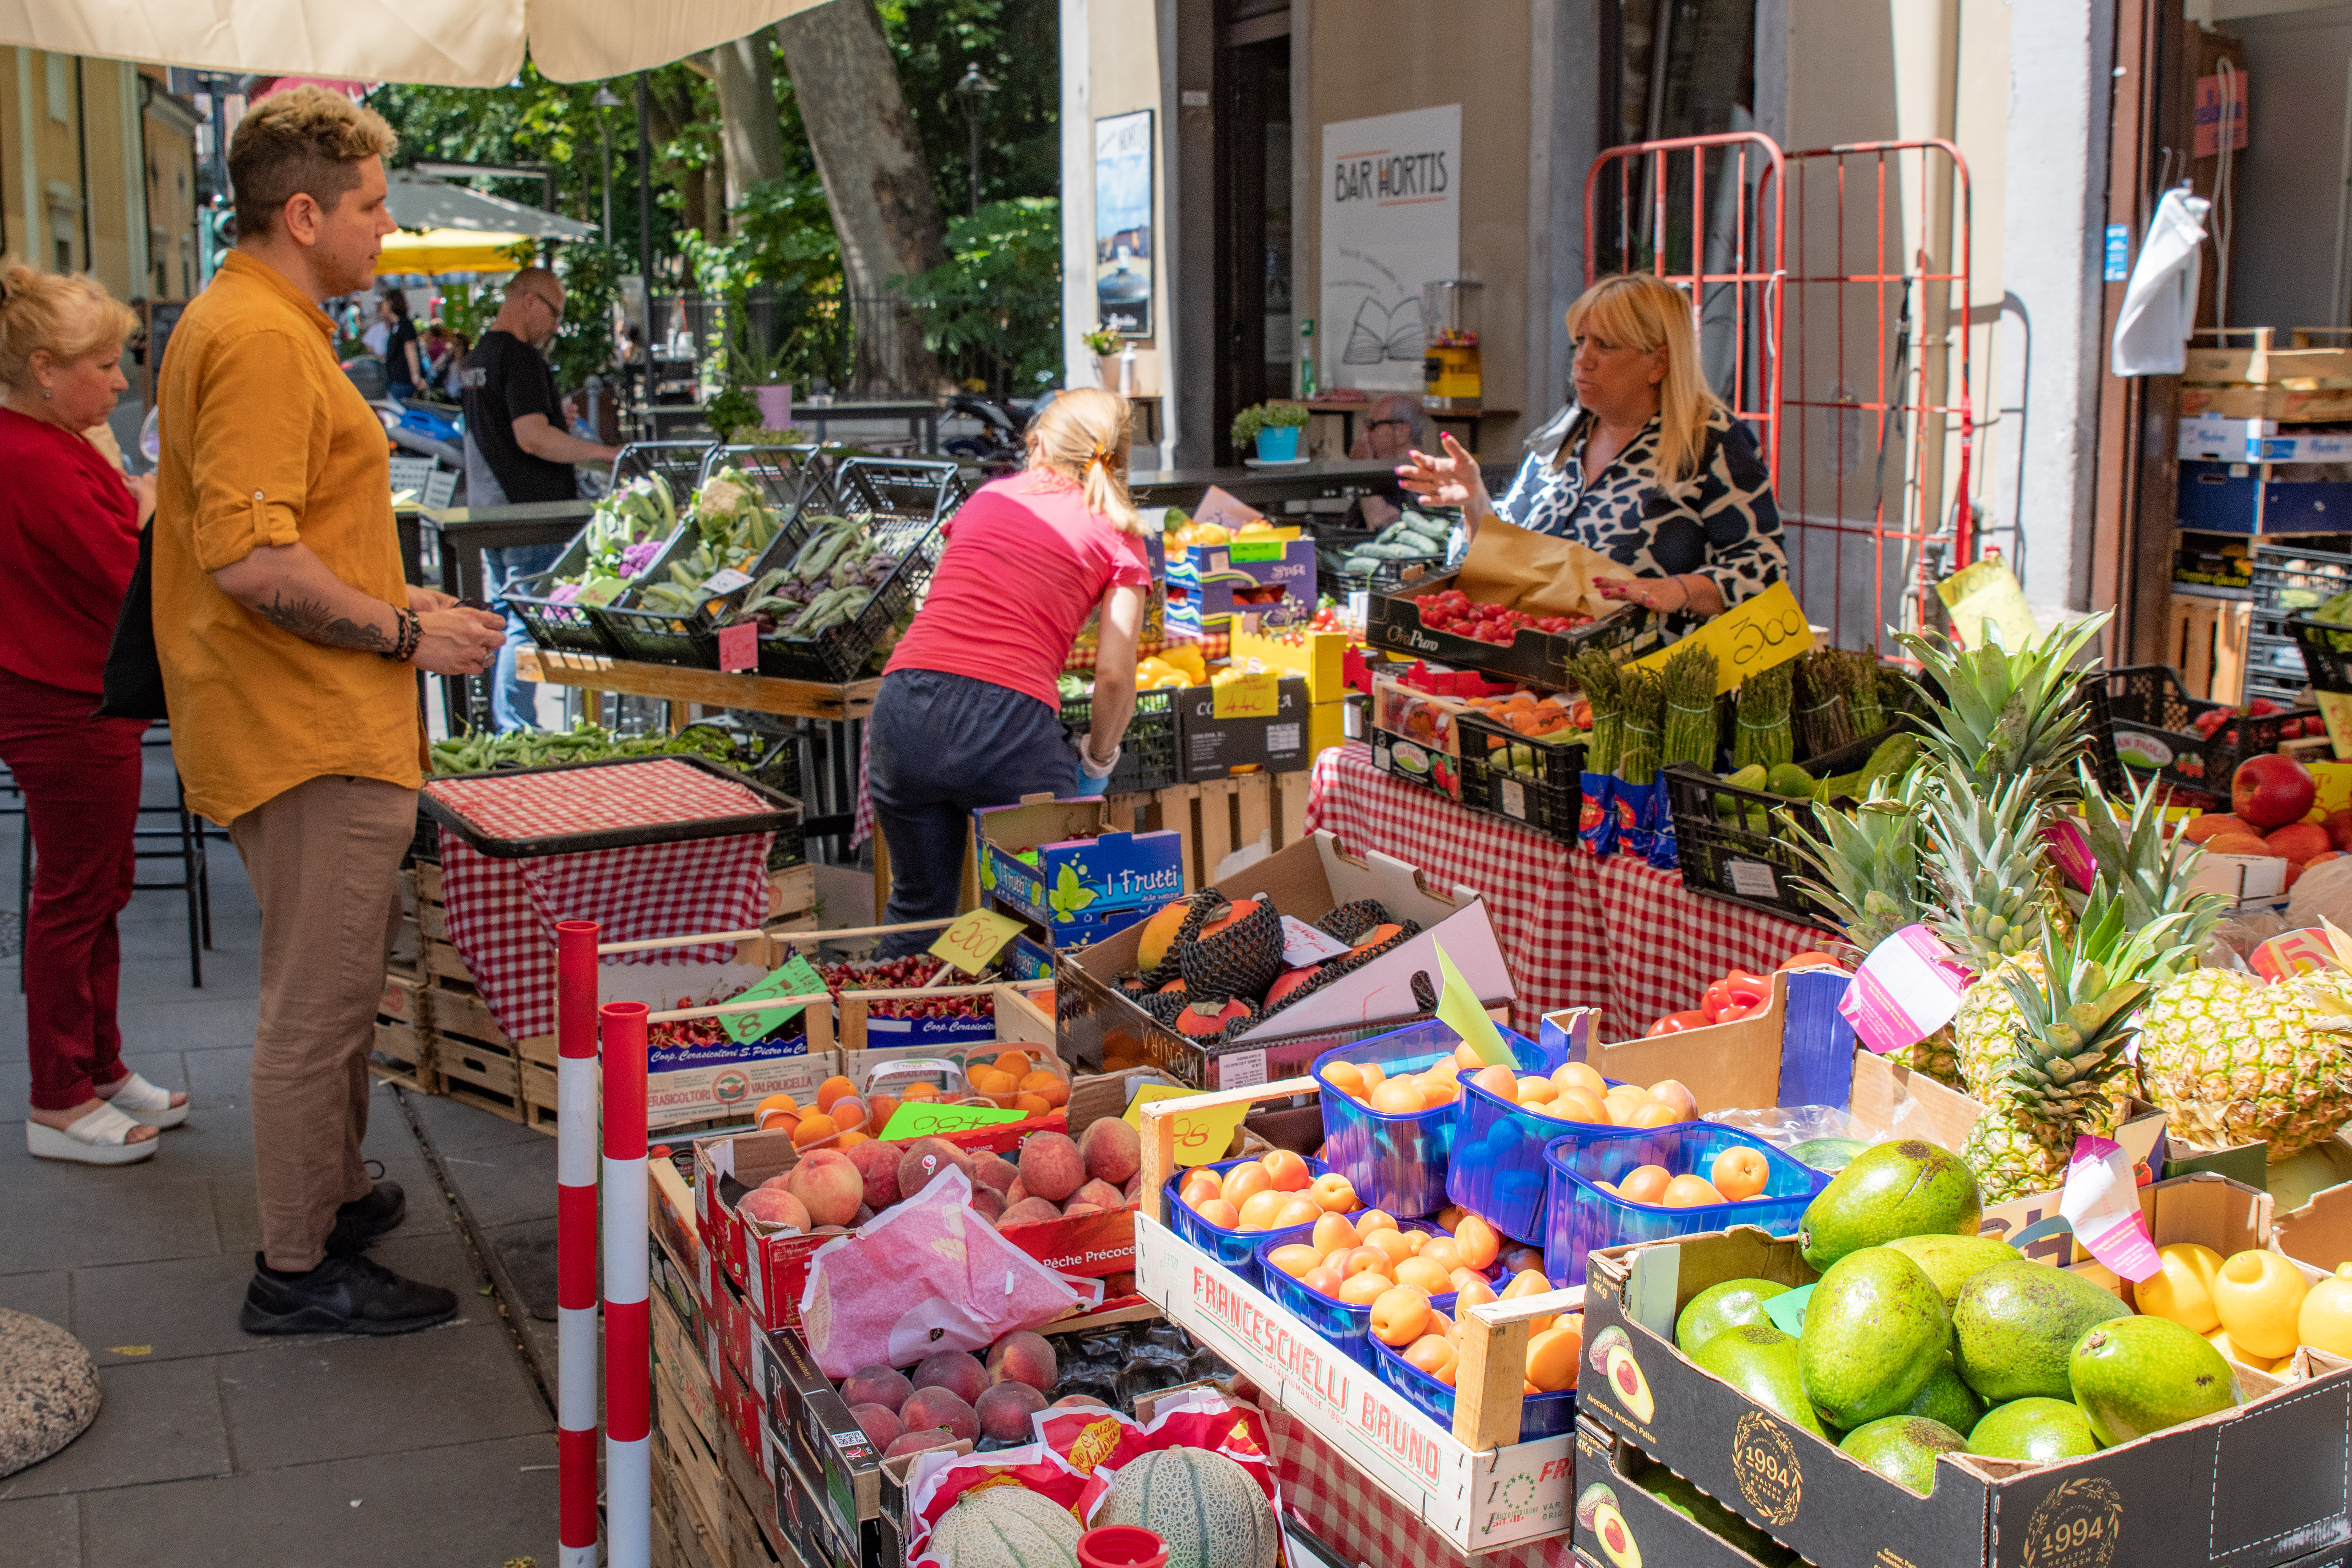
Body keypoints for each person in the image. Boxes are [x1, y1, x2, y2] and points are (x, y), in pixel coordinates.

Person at [150, 86, 507, 1334]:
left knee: (339, 988)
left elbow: (291, 540)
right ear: (303, 215)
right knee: (316, 1005)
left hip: (313, 716)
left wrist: (404, 602)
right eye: (370, 205)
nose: (385, 226)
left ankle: (334, 1194)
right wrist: (408, 634)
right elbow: (253, 563)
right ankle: (297, 1268)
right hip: (305, 727)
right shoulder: (256, 336)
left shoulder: (260, 320)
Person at [0, 261, 192, 1165]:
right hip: (65, 702)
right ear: (45, 368)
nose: (121, 383)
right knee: (76, 898)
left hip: (80, 695)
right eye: (106, 364)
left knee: (97, 892)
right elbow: (130, 574)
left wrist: (141, 505)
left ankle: (97, 1066)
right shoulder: (33, 457)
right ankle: (58, 1097)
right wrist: (148, 510)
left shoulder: (50, 439)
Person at [868, 388, 1152, 956]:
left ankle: (896, 1007)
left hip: (904, 706)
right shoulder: (1118, 531)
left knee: (918, 909)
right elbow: (1116, 675)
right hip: (1008, 725)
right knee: (1045, 919)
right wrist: (1097, 760)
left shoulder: (989, 499)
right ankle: (1014, 1008)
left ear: (1039, 444)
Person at [1398, 272, 1786, 634]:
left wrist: (1679, 590)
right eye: (1581, 342)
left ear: (1659, 363)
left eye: (1605, 345)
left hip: (1649, 672)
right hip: (1535, 664)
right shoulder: (1564, 433)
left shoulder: (1711, 442)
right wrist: (1474, 501)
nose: (1583, 359)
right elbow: (1502, 561)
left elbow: (1764, 571)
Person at [460, 269, 622, 730]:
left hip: (491, 513)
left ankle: (504, 729)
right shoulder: (520, 357)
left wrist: (556, 419)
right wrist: (604, 454)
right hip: (531, 513)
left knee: (505, 617)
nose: (556, 326)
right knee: (526, 621)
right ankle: (517, 730)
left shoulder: (477, 358)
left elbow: (509, 427)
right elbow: (532, 438)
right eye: (555, 313)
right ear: (530, 300)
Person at [1344, 392, 1429, 530]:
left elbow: (1381, 525)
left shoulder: (1420, 480)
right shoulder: (1385, 474)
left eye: (1372, 425)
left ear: (1401, 433)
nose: (1364, 435)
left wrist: (1365, 469)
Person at [378, 289, 422, 402]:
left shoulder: (405, 324)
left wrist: (416, 376)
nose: (382, 306)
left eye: (384, 302)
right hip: (395, 380)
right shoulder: (395, 326)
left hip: (403, 381)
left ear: (390, 303)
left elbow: (411, 350)